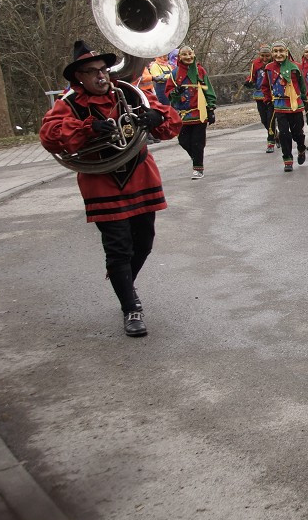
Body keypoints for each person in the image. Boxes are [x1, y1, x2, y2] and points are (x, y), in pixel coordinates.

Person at [39, 41, 182, 337]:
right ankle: (131, 307)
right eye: (91, 72)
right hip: (102, 182)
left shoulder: (130, 93)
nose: (100, 76)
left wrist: (158, 118)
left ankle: (124, 283)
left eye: (103, 70)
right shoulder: (69, 104)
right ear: (79, 78)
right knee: (119, 248)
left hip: (140, 176)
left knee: (144, 242)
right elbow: (49, 136)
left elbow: (169, 125)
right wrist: (87, 129)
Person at [164, 45, 216, 179]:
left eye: (190, 54)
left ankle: (198, 168)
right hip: (182, 114)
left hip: (199, 112)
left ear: (194, 54)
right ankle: (196, 158)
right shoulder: (174, 74)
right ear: (179, 57)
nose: (188, 57)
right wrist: (175, 92)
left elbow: (208, 90)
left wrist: (211, 108)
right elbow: (169, 92)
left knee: (198, 142)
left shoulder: (200, 71)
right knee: (183, 140)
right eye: (184, 55)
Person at [262, 40, 308, 172]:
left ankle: (301, 147)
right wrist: (267, 99)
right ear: (272, 53)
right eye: (275, 51)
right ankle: (287, 159)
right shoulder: (269, 68)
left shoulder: (296, 67)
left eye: (281, 51)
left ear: (286, 52)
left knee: (297, 132)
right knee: (283, 134)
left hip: (295, 105)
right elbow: (265, 86)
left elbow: (302, 85)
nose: (278, 54)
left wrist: (305, 100)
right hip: (279, 105)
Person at [245, 44, 276, 153]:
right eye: (262, 55)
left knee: (270, 119)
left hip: (272, 96)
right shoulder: (256, 64)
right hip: (259, 95)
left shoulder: (274, 64)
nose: (264, 58)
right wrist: (249, 81)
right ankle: (276, 135)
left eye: (267, 56)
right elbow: (252, 76)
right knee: (264, 120)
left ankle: (270, 142)